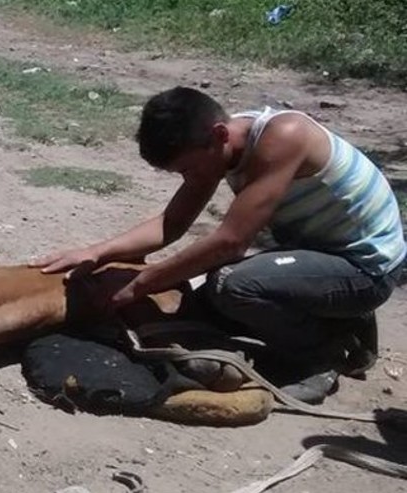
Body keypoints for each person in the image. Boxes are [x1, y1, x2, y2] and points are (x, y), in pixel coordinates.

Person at [34, 86, 405, 402]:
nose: (190, 179)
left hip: (366, 268)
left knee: (233, 285)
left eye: (189, 170)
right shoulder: (223, 144)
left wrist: (141, 284)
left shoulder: (283, 138)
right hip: (319, 252)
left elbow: (230, 242)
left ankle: (322, 356)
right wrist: (97, 251)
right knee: (202, 304)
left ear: (218, 135)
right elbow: (171, 223)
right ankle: (330, 311)